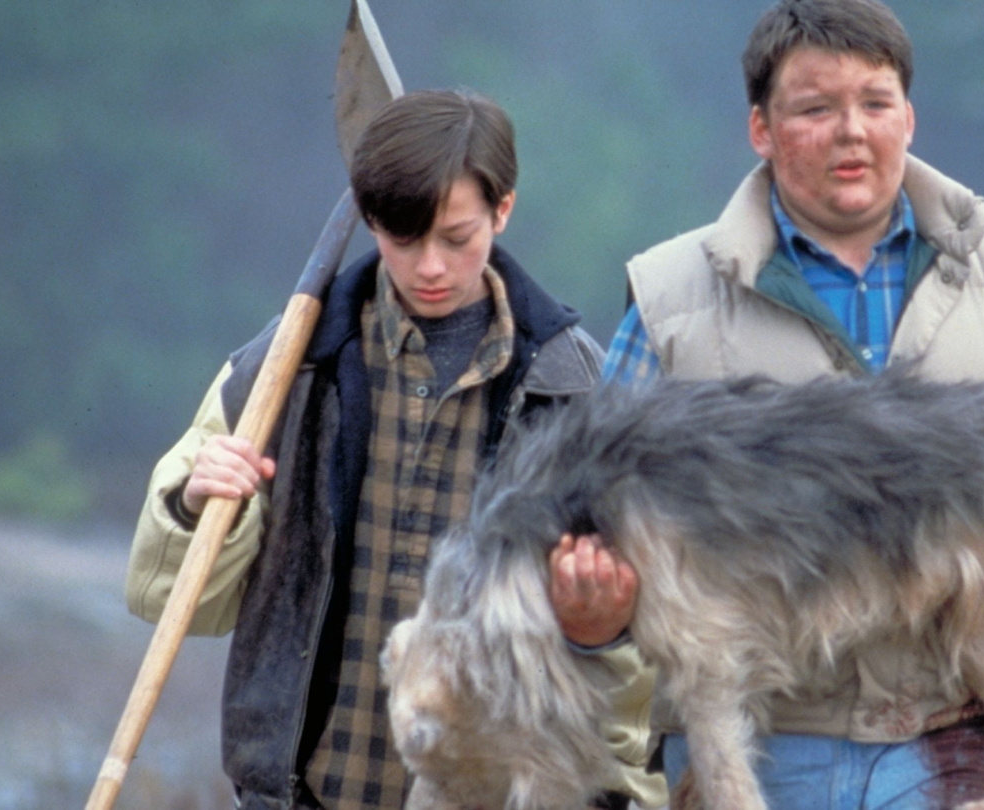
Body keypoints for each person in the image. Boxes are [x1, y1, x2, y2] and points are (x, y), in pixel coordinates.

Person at [545, 1, 984, 807]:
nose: (852, 131)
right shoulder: (671, 302)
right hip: (753, 756)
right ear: (761, 129)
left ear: (909, 118)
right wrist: (591, 617)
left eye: (875, 103)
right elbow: (593, 531)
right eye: (815, 109)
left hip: (959, 744)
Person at [126, 89, 662, 810]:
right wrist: (195, 507)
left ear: (503, 210)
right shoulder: (285, 369)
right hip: (302, 794)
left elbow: (638, 657)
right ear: (372, 221)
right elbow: (174, 604)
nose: (429, 266)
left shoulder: (578, 393)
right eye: (403, 240)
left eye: (456, 237)